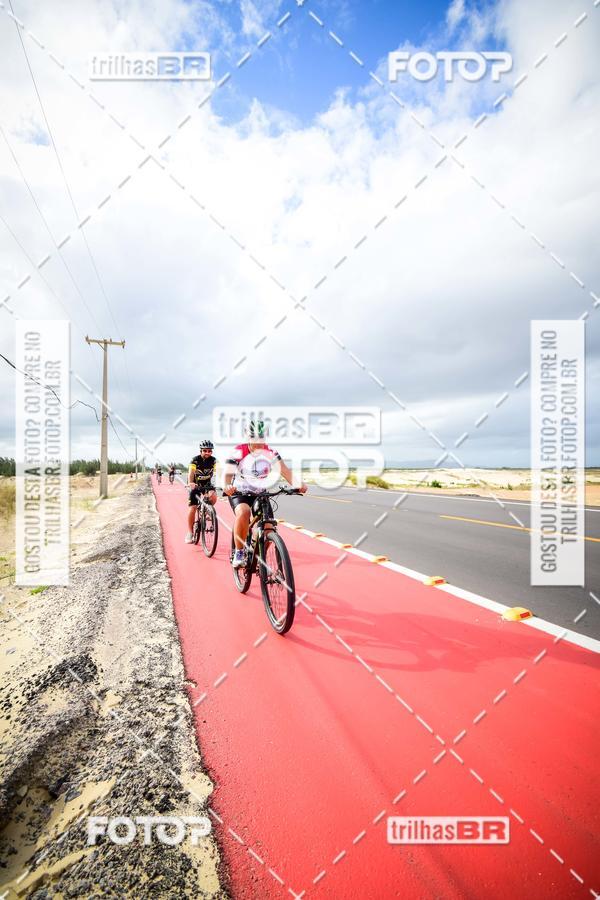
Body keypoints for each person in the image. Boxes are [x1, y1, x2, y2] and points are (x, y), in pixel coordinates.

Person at [224, 420, 307, 567]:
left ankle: (256, 559)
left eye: (262, 438)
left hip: (260, 494)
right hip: (239, 493)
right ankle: (239, 551)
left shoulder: (270, 452)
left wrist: (298, 484)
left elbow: (284, 471)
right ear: (247, 437)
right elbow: (228, 474)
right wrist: (227, 485)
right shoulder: (239, 451)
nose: (259, 442)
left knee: (269, 528)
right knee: (244, 512)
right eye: (254, 438)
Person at [185, 440, 217, 543]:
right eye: (205, 451)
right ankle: (190, 532)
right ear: (201, 451)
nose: (207, 453)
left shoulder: (214, 460)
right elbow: (191, 473)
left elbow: (218, 472)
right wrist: (190, 483)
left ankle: (207, 511)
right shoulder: (195, 460)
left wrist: (220, 482)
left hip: (207, 484)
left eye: (209, 451)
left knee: (213, 496)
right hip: (195, 484)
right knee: (193, 508)